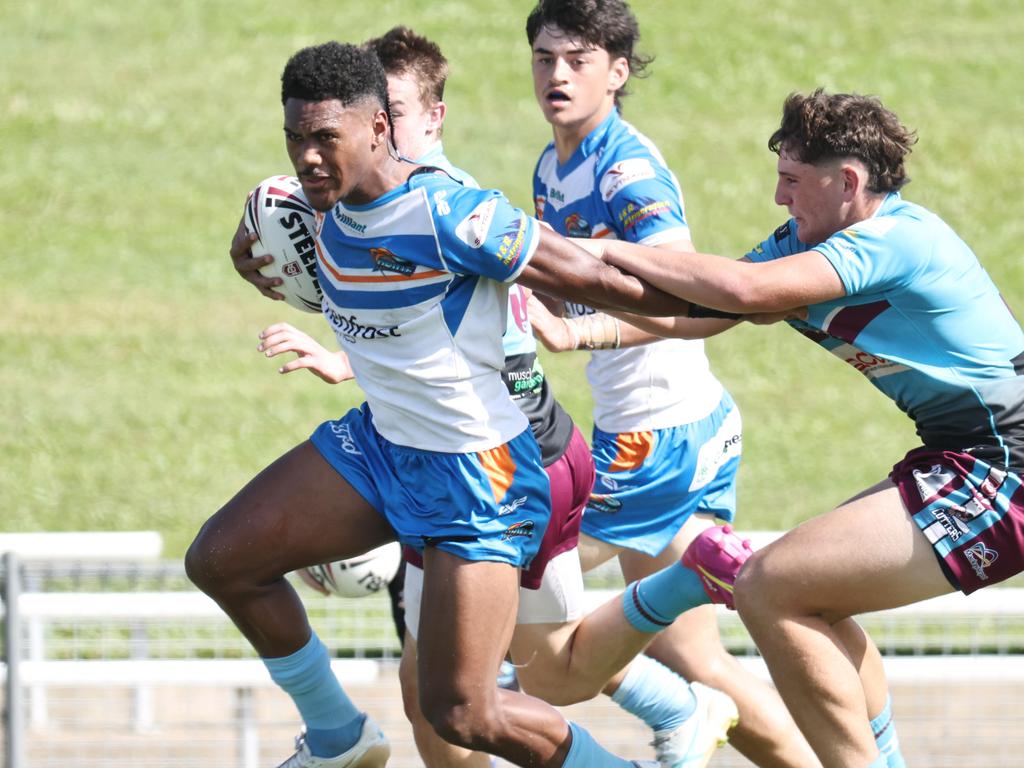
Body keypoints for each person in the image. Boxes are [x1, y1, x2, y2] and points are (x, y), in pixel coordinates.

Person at [187, 39, 700, 768]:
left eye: (324, 138)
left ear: (377, 130)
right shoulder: (311, 199)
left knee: (464, 713)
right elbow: (272, 227)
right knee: (220, 559)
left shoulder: (453, 214)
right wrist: (250, 250)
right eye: (295, 138)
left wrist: (734, 301)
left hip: (477, 475)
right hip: (380, 446)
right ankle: (337, 737)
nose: (307, 157)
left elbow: (594, 278)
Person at [583, 87, 1021, 767]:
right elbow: (705, 308)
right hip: (960, 458)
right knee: (813, 596)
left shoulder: (895, 239)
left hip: (1003, 469)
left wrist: (588, 249)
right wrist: (575, 327)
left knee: (770, 587)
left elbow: (743, 291)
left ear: (847, 182)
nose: (780, 200)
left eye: (791, 182)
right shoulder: (812, 238)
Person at [521, 2, 816, 766]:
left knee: (509, 578)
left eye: (578, 60)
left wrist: (578, 332)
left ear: (617, 73)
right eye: (545, 58)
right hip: (675, 425)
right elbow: (561, 290)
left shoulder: (628, 170)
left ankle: (673, 715)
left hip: (658, 439)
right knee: (700, 660)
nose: (557, 74)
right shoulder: (552, 166)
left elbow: (691, 294)